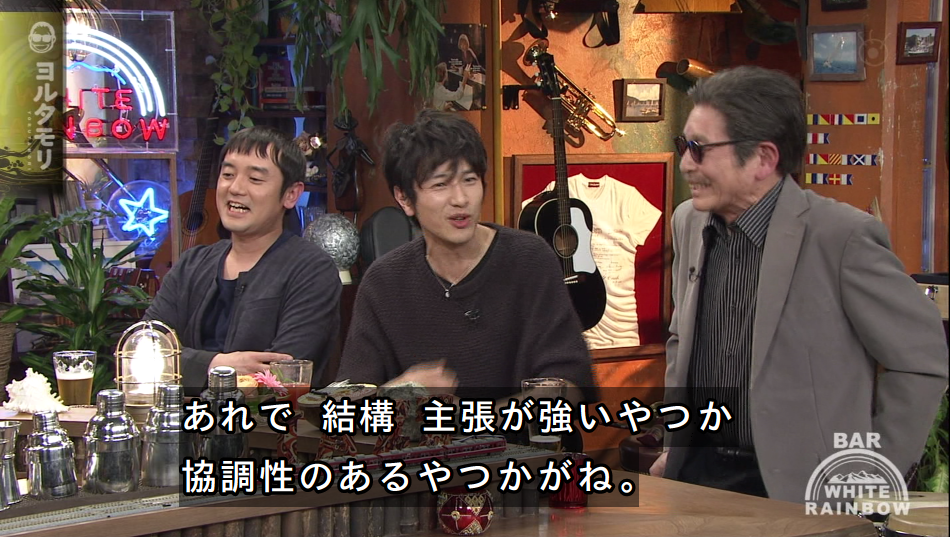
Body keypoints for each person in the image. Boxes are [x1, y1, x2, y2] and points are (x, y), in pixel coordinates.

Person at [650, 66, 948, 502]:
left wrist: (872, 474)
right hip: (696, 478)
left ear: (763, 158)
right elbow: (682, 340)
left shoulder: (841, 237)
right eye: (684, 146)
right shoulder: (688, 222)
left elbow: (920, 361)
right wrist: (673, 445)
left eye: (699, 149)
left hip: (800, 490)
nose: (685, 163)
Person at [336, 110, 595, 400]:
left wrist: (479, 422)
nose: (460, 199)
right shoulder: (385, 282)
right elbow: (348, 398)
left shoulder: (530, 260)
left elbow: (570, 382)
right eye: (440, 184)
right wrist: (404, 392)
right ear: (404, 198)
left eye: (469, 180)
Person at [145, 126, 341, 389]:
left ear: (291, 194)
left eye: (255, 179)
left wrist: (181, 364)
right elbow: (144, 350)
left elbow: (281, 374)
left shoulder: (311, 271)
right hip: (180, 413)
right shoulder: (191, 264)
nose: (235, 188)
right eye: (228, 174)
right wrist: (216, 365)